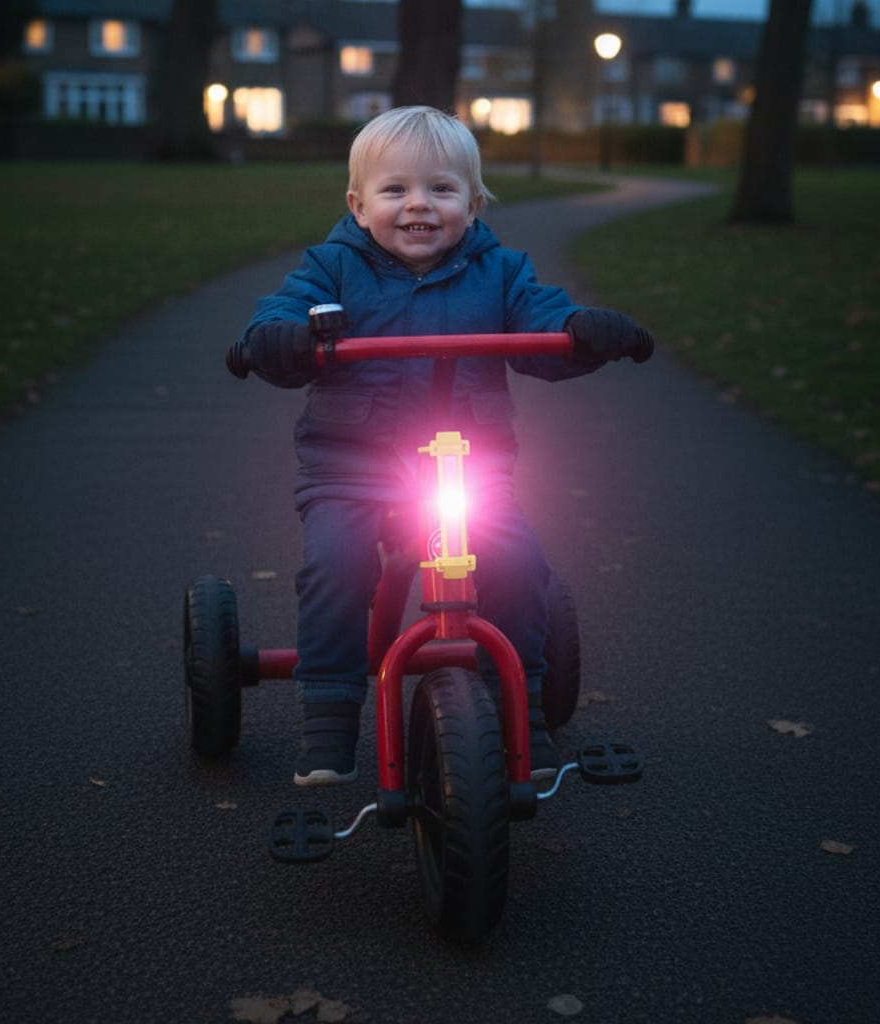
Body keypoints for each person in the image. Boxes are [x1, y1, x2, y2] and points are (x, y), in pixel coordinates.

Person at [226, 105, 653, 786]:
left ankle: (525, 711)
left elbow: (546, 325)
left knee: (517, 562)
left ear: (474, 204)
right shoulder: (331, 269)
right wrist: (280, 337)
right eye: (395, 190)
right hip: (351, 468)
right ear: (358, 205)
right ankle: (329, 719)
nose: (418, 205)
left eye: (442, 190)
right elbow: (282, 314)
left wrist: (582, 331)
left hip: (470, 467)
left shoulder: (501, 272)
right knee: (336, 564)